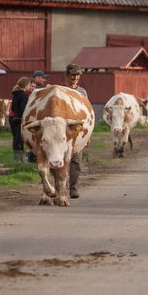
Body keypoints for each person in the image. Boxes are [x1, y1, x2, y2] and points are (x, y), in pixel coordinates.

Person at [63, 63, 87, 198]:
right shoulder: (61, 90)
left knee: (76, 160)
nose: (75, 77)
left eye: (77, 75)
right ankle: (60, 187)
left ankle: (73, 188)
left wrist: (87, 135)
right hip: (63, 129)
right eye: (73, 74)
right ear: (67, 75)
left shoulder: (82, 92)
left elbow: (87, 114)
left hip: (78, 130)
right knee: (61, 159)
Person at [9, 77, 31, 162]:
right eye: (29, 85)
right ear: (25, 85)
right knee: (19, 139)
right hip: (20, 119)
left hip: (14, 118)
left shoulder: (15, 93)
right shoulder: (23, 95)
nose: (29, 86)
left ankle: (16, 159)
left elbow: (13, 108)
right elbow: (23, 109)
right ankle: (19, 160)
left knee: (15, 138)